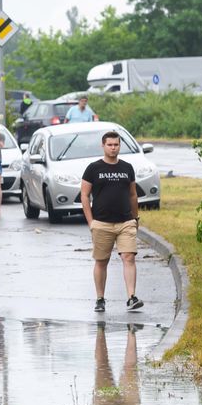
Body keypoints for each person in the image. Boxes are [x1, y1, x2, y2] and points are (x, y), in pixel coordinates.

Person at [80, 130, 143, 312]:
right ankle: (100, 298)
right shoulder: (94, 168)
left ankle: (131, 297)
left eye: (116, 145)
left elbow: (133, 194)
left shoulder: (127, 168)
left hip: (125, 221)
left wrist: (135, 217)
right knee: (101, 261)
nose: (113, 148)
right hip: (101, 223)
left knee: (128, 257)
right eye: (110, 145)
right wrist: (91, 221)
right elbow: (84, 195)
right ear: (103, 145)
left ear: (119, 146)